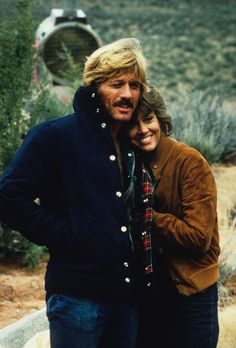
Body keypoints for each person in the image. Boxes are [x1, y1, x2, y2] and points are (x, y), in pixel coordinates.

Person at [0, 38, 149, 348]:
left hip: (127, 299)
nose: (127, 94)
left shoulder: (133, 144)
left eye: (134, 85)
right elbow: (10, 198)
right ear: (95, 87)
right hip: (77, 298)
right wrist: (69, 237)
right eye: (116, 84)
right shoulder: (55, 136)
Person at [127, 85, 220, 348]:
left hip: (191, 292)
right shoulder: (130, 164)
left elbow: (199, 237)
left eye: (149, 119)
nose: (144, 130)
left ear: (160, 119)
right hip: (149, 295)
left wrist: (148, 216)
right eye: (134, 124)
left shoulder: (189, 162)